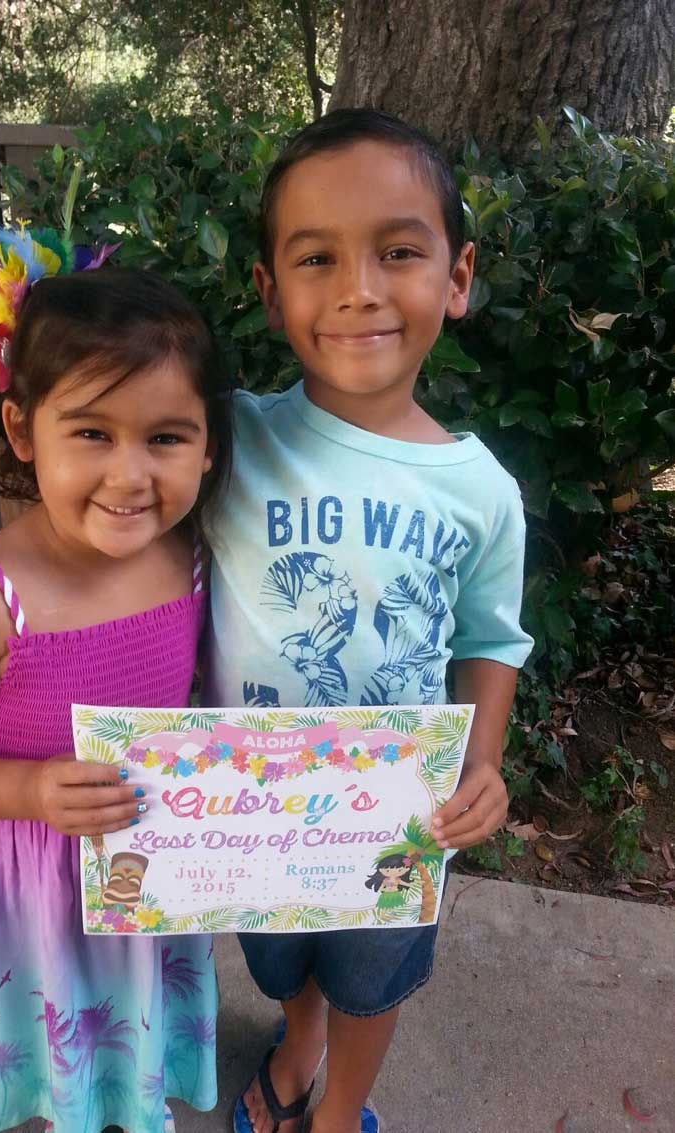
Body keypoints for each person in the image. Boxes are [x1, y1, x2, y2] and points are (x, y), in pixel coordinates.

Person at [202, 108, 534, 1133]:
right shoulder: (227, 439)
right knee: (282, 957)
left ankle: (340, 1108)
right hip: (250, 811)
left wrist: (480, 764)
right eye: (315, 257)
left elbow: (487, 641)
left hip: (396, 815)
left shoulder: (480, 490)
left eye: (398, 250)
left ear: (458, 275)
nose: (358, 287)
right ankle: (296, 1041)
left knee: (374, 975)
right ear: (267, 291)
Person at [0, 236, 232, 1133]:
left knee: (137, 1013)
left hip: (146, 858)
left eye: (166, 437)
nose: (130, 474)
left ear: (210, 444)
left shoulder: (188, 555)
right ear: (25, 430)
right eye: (93, 433)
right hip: (34, 882)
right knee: (68, 1034)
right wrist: (29, 787)